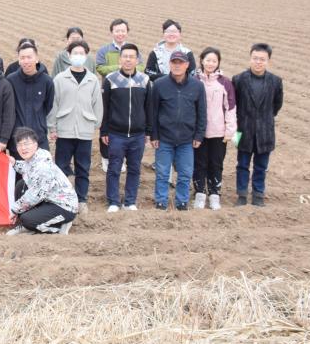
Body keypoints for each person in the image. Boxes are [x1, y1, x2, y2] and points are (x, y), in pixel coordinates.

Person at [47, 40, 103, 214]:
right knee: (61, 166)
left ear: (86, 56)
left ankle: (81, 200)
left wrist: (95, 123)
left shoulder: (92, 80)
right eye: (75, 53)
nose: (78, 56)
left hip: (85, 130)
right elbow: (54, 104)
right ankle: (62, 199)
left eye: (81, 53)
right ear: (69, 55)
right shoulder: (60, 79)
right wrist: (52, 127)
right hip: (64, 129)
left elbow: (97, 104)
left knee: (83, 167)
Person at [148, 52, 206, 211]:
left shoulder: (197, 86)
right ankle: (161, 201)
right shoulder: (159, 84)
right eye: (174, 62)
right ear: (170, 64)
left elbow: (201, 112)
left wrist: (199, 135)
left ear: (187, 65)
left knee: (185, 173)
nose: (177, 65)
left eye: (181, 62)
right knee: (162, 172)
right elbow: (153, 112)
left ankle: (182, 202)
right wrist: (154, 135)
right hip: (164, 138)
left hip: (187, 139)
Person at [100, 43, 152, 212]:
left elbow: (149, 108)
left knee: (134, 169)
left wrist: (148, 131)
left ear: (137, 60)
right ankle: (113, 201)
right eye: (125, 56)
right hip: (116, 133)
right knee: (114, 168)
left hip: (138, 134)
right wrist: (104, 130)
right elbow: (105, 107)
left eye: (132, 57)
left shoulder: (144, 80)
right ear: (120, 59)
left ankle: (130, 201)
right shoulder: (111, 79)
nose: (128, 60)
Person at [232, 43, 284, 207]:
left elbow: (277, 105)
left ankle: (258, 195)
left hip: (265, 131)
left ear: (268, 61)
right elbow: (234, 105)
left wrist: (264, 119)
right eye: (255, 58)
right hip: (242, 130)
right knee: (242, 164)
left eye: (262, 59)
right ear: (250, 59)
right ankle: (241, 195)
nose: (258, 62)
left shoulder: (275, 81)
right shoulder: (238, 79)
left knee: (261, 166)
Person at [5, 127, 78, 236]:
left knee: (27, 219)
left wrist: (15, 210)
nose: (23, 148)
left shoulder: (42, 166)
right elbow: (27, 167)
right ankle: (29, 224)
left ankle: (58, 225)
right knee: (21, 185)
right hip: (49, 200)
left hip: (64, 206)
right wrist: (14, 163)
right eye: (19, 145)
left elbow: (35, 195)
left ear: (35, 144)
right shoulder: (34, 158)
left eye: (26, 144)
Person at [193, 47, 237, 210]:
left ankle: (214, 194)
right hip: (199, 133)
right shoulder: (194, 80)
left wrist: (230, 131)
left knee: (216, 164)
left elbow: (230, 107)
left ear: (218, 63)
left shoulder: (225, 83)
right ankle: (199, 193)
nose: (210, 63)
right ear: (202, 61)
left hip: (218, 132)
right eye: (208, 60)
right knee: (199, 164)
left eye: (214, 61)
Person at [5, 43, 54, 153]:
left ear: (37, 59)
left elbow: (48, 105)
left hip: (39, 136)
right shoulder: (11, 80)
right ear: (19, 60)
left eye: (29, 57)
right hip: (17, 137)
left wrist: (39, 122)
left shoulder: (47, 81)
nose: (26, 61)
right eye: (22, 58)